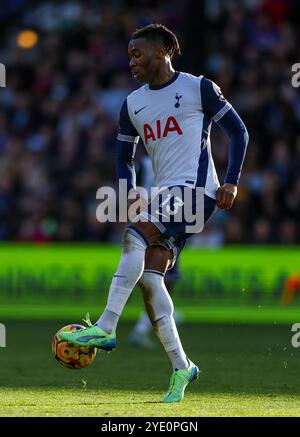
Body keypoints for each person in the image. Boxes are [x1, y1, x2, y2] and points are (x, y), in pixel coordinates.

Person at [60, 23, 249, 403]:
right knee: (149, 278)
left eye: (138, 53)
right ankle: (183, 367)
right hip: (166, 194)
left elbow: (239, 131)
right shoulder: (133, 105)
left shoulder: (199, 87)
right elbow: (122, 156)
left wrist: (231, 181)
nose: (131, 61)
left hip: (198, 191)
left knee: (133, 235)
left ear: (163, 51)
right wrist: (128, 192)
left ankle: (106, 326)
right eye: (129, 55)